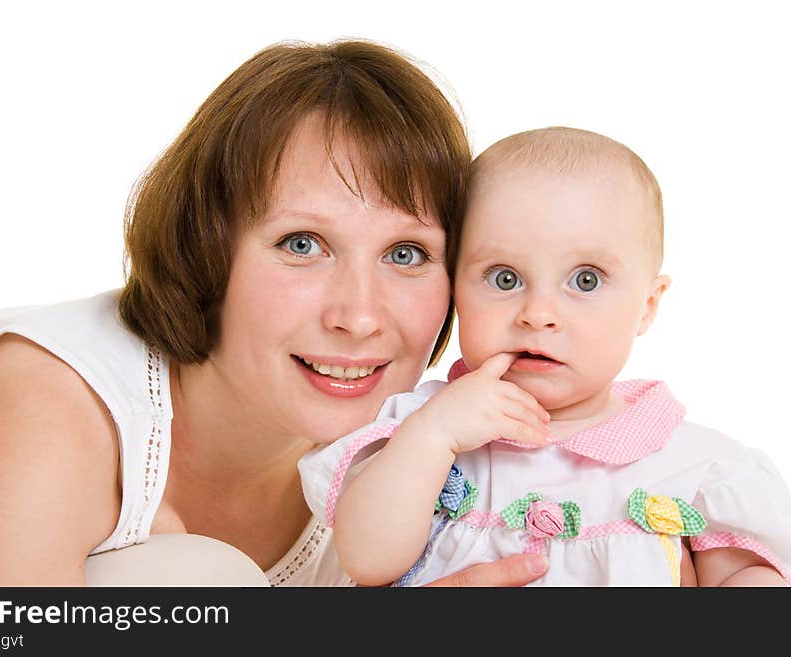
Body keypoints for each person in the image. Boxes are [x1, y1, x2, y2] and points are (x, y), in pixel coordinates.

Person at [0, 40, 551, 587]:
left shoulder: (409, 465)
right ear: (206, 246)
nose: (359, 318)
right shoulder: (52, 399)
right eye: (301, 245)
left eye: (407, 253)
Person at [300, 126, 791, 587]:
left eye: (585, 280)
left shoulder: (693, 467)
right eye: (504, 278)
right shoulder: (420, 430)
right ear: (456, 292)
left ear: (647, 306)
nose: (538, 314)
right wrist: (434, 435)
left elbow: (750, 580)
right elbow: (368, 560)